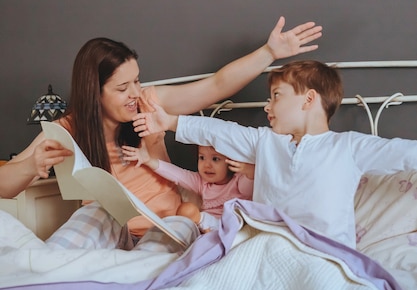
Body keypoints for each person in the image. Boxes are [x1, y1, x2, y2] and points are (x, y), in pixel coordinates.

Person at [3, 16, 322, 238]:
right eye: (122, 87)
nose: (134, 94)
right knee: (81, 226)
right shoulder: (67, 128)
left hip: (169, 225)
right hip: (111, 229)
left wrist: (269, 52)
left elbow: (216, 85)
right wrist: (31, 165)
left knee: (170, 236)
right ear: (94, 92)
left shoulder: (150, 103)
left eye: (137, 80)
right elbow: (5, 185)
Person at [133, 59, 417, 248]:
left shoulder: (348, 147)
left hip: (326, 254)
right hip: (269, 247)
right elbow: (220, 132)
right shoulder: (266, 142)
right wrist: (169, 122)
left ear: (308, 99)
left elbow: (403, 153)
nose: (268, 107)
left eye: (276, 96)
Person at [121, 139, 255, 231]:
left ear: (231, 161)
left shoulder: (238, 181)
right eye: (202, 157)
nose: (207, 165)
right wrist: (149, 160)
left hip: (230, 225)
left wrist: (248, 170)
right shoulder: (201, 182)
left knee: (189, 211)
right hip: (205, 223)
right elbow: (177, 175)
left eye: (215, 159)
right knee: (186, 210)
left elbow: (249, 183)